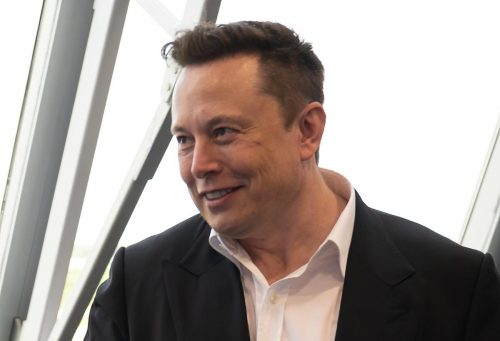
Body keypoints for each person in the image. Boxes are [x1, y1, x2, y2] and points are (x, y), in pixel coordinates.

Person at [85, 21, 500, 341]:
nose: (199, 165)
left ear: (307, 130)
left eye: (224, 132)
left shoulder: (454, 288)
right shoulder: (136, 284)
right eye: (184, 140)